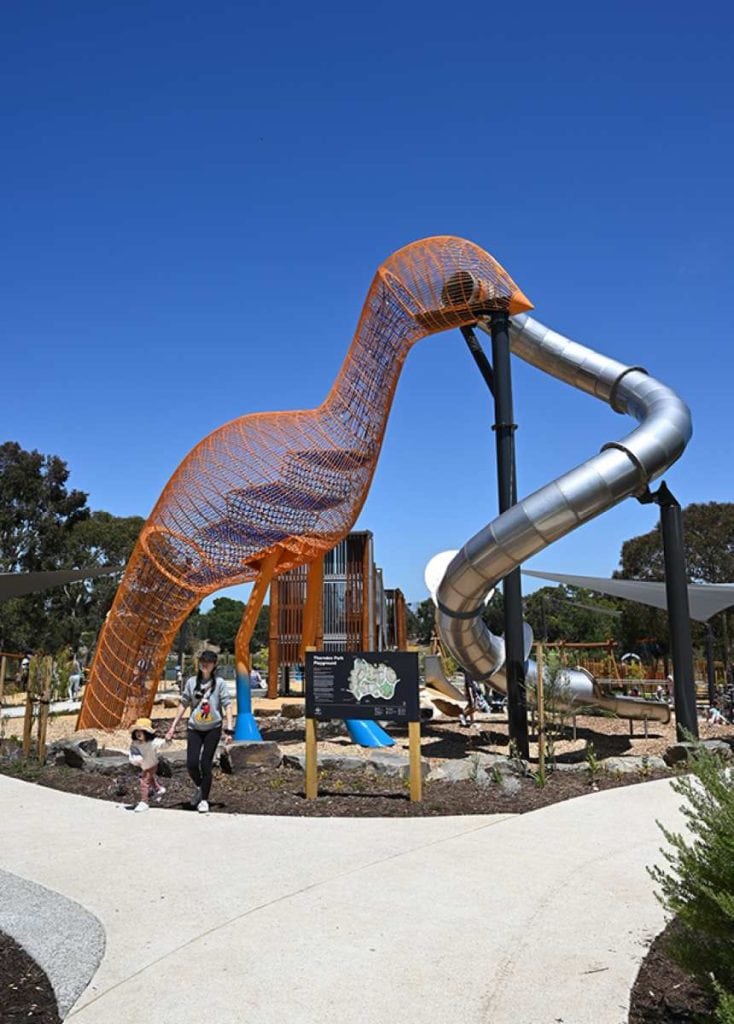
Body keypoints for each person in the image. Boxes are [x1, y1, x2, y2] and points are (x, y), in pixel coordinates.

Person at [165, 650, 234, 813]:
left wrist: (229, 729)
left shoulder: (220, 683)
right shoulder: (191, 682)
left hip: (213, 728)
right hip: (194, 727)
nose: (205, 664)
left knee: (205, 763)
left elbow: (227, 705)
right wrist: (173, 726)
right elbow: (184, 703)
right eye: (203, 661)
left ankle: (204, 799)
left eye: (209, 662)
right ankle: (200, 787)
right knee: (191, 763)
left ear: (214, 665)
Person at [129, 717, 168, 812]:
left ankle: (144, 802)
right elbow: (132, 752)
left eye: (141, 731)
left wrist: (168, 740)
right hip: (144, 765)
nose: (138, 733)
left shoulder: (153, 743)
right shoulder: (135, 743)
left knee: (144, 781)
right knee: (150, 779)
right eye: (137, 731)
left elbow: (162, 744)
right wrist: (135, 759)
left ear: (147, 733)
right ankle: (158, 789)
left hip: (152, 765)